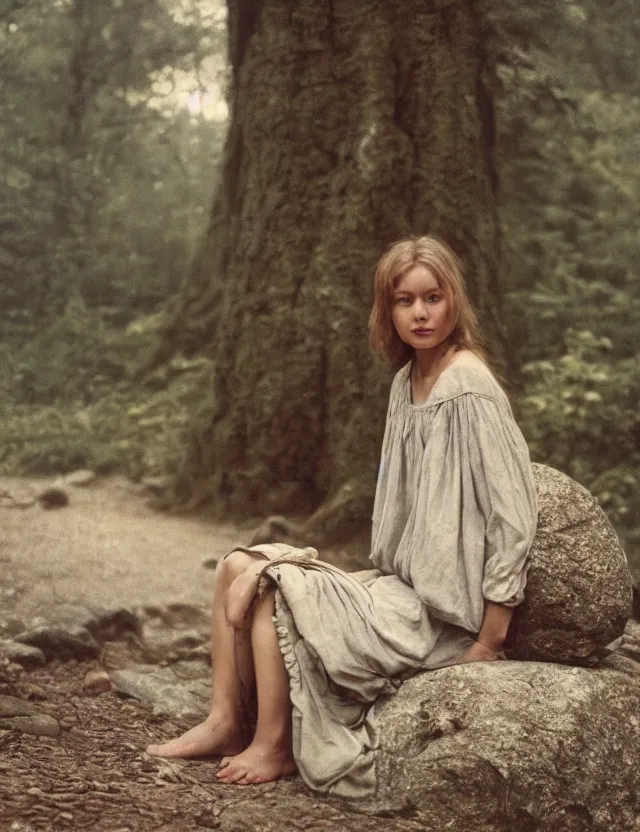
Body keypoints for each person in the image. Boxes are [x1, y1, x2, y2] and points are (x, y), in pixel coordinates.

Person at [146, 236, 538, 798]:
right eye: (406, 301)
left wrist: (490, 639)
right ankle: (226, 721)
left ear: (456, 302)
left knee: (279, 587)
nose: (421, 313)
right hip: (403, 589)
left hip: (447, 617)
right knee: (236, 564)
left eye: (434, 297)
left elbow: (513, 512)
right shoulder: (407, 383)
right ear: (388, 309)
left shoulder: (468, 384)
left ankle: (275, 746)